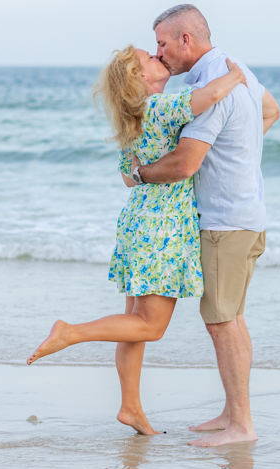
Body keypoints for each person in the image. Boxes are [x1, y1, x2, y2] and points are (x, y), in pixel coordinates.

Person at [26, 45, 248, 438]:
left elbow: (129, 176)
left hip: (137, 220)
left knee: (133, 322)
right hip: (162, 227)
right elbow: (211, 96)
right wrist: (237, 75)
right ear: (141, 80)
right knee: (150, 327)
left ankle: (131, 407)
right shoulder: (162, 108)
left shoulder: (132, 122)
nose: (158, 57)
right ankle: (70, 332)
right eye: (150, 57)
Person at [137, 4, 280, 447]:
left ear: (186, 40)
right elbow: (271, 111)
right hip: (247, 217)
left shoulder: (210, 90)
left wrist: (139, 173)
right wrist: (237, 148)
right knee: (230, 318)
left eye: (162, 43)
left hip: (223, 223)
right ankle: (232, 413)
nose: (158, 53)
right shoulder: (236, 70)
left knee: (221, 322)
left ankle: (242, 426)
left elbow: (183, 165)